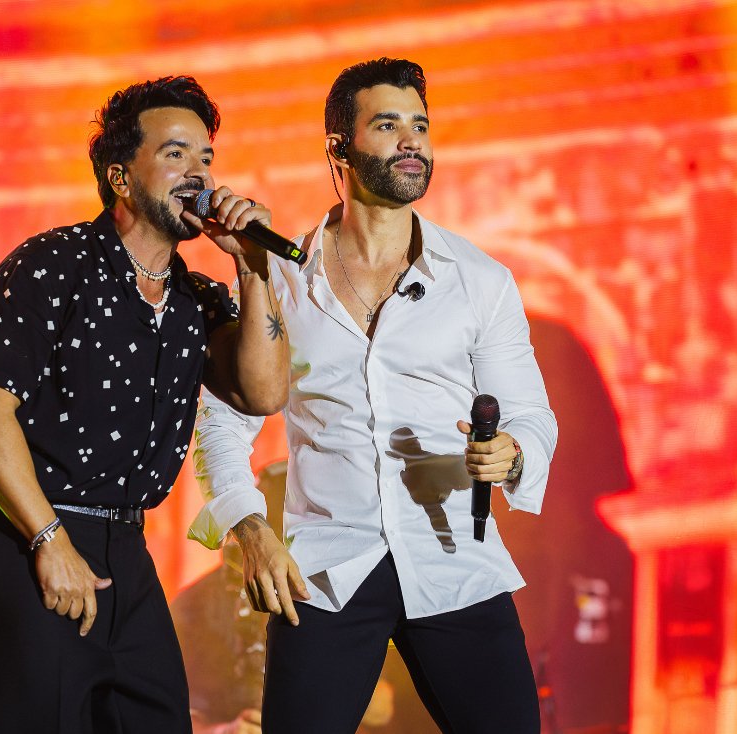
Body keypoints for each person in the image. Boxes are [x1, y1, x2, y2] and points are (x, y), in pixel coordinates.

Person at [188, 58, 558, 733]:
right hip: (326, 570)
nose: (412, 140)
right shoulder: (282, 278)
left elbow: (531, 415)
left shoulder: (480, 281)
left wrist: (514, 452)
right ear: (339, 148)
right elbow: (220, 424)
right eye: (388, 125)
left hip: (455, 561)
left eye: (420, 125)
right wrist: (251, 531)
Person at [0, 75, 288, 733]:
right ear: (121, 178)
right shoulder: (50, 266)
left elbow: (264, 391)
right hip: (29, 532)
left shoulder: (195, 299)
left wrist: (252, 267)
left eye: (206, 157)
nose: (199, 173)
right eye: (176, 154)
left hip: (125, 545)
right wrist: (48, 539)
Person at [174, 462, 430, 734]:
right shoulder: (196, 604)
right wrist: (221, 731)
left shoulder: (370, 585)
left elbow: (388, 708)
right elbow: (169, 710)